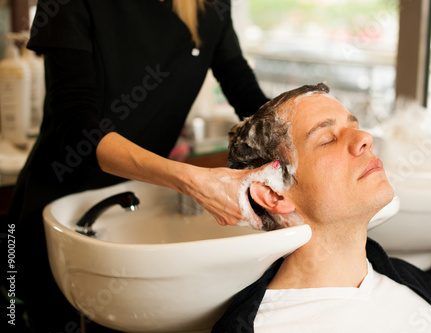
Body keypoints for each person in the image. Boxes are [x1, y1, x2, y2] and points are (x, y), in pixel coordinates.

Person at [8, 0, 270, 332]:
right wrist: (186, 178)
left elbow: (243, 88)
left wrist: (302, 135)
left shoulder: (209, 5)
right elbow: (76, 128)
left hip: (134, 209)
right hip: (56, 209)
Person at [212, 83, 431, 332]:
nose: (365, 138)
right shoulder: (259, 326)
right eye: (327, 139)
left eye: (355, 126)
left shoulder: (416, 283)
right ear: (273, 194)